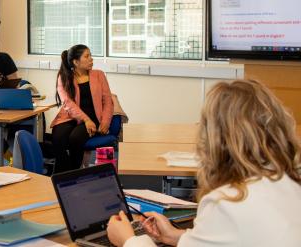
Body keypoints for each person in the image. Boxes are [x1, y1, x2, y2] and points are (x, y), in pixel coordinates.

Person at [107, 79, 301, 246]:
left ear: (215, 139)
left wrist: (128, 240)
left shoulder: (227, 202)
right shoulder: (289, 182)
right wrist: (174, 236)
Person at [50, 44, 113, 173]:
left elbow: (107, 101)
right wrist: (85, 120)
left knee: (75, 138)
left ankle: (72, 173)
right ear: (76, 62)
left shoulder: (99, 75)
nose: (91, 59)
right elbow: (68, 103)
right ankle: (60, 175)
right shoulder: (64, 77)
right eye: (87, 56)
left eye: (90, 55)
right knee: (58, 137)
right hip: (70, 117)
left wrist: (105, 122)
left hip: (93, 117)